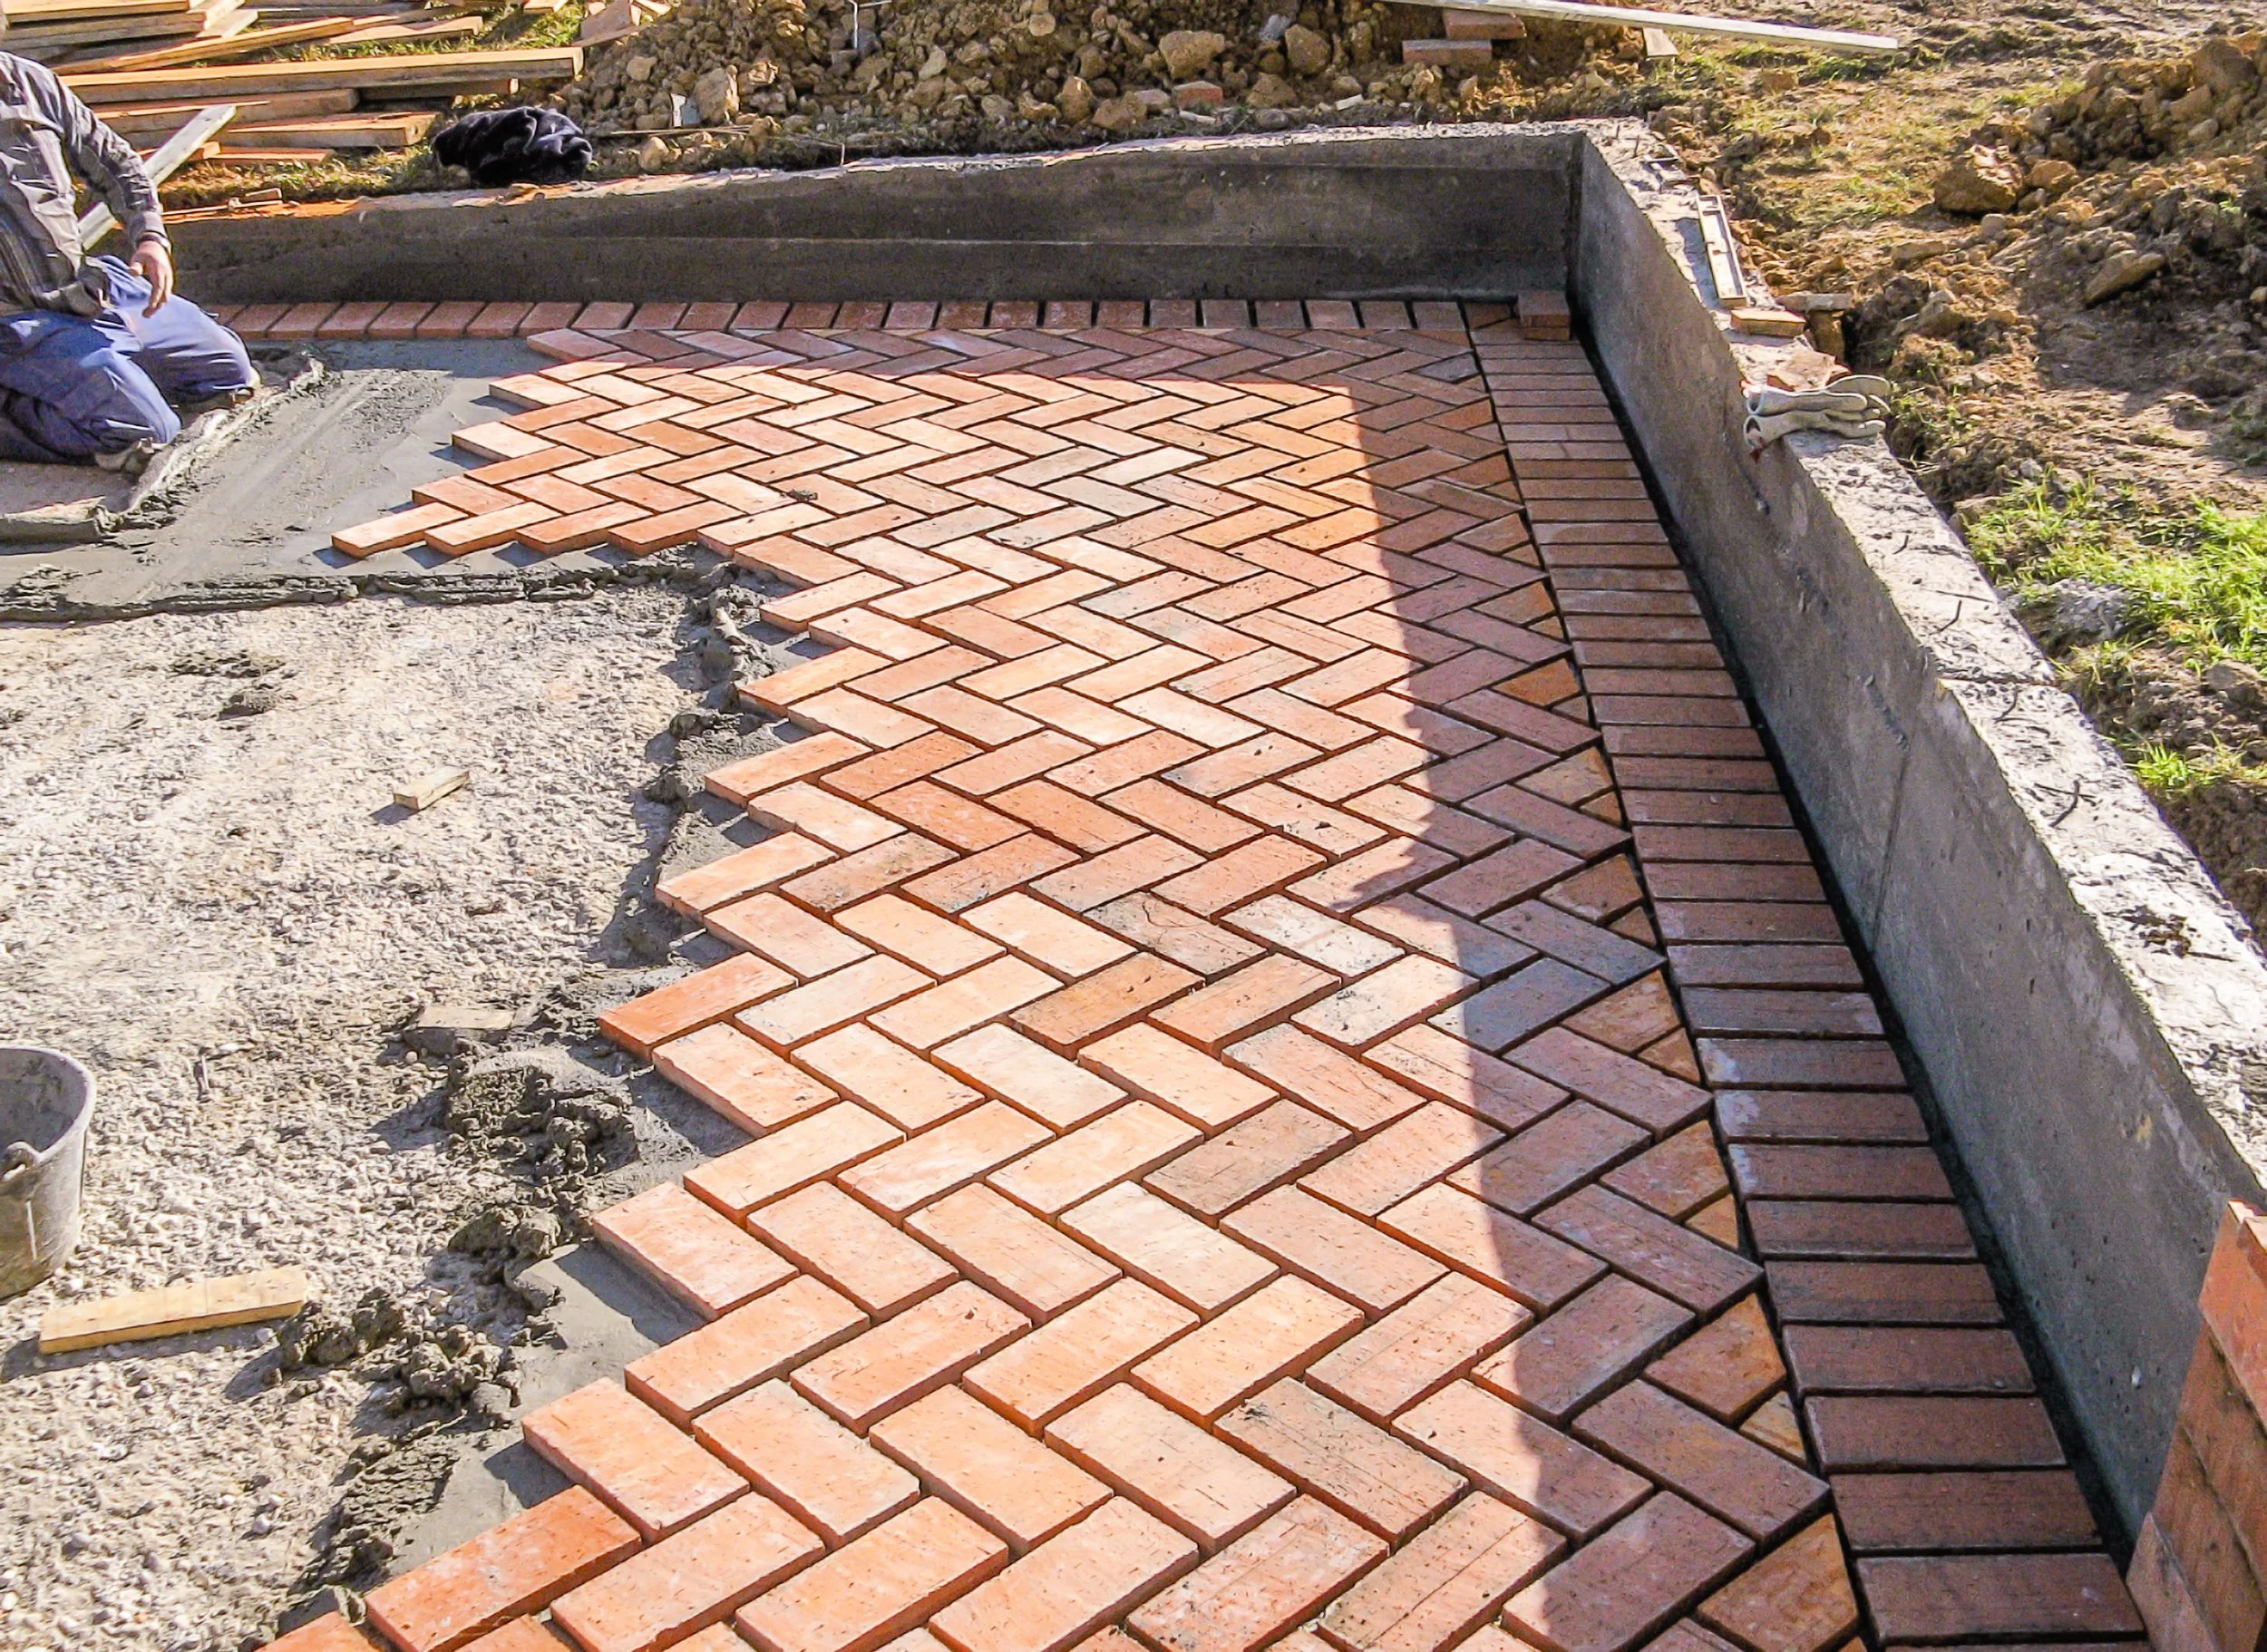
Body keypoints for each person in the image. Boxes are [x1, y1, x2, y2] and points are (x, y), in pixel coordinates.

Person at [0, 47, 258, 471]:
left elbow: (115, 162)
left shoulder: (30, 83)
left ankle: (99, 380)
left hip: (85, 289)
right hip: (15, 324)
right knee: (144, 431)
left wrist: (150, 237)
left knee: (226, 373)